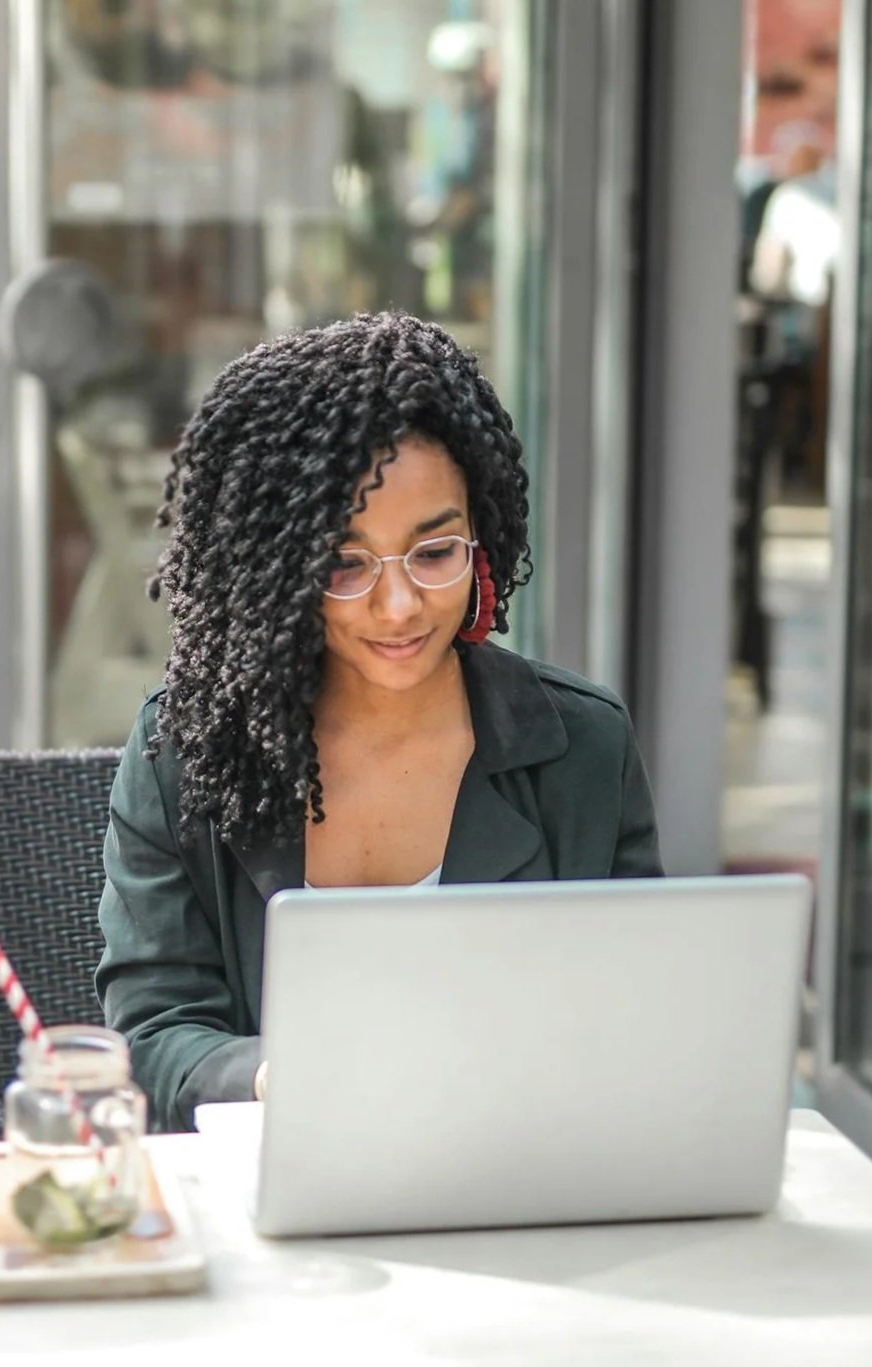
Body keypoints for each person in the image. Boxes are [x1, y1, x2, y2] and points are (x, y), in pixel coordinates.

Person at [95, 312, 663, 1132]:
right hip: (274, 1194)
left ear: (483, 540)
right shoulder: (184, 752)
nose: (398, 607)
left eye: (435, 554)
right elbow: (151, 1036)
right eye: (344, 563)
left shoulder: (582, 747)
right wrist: (270, 1075)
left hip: (524, 1175)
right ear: (276, 570)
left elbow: (636, 1019)